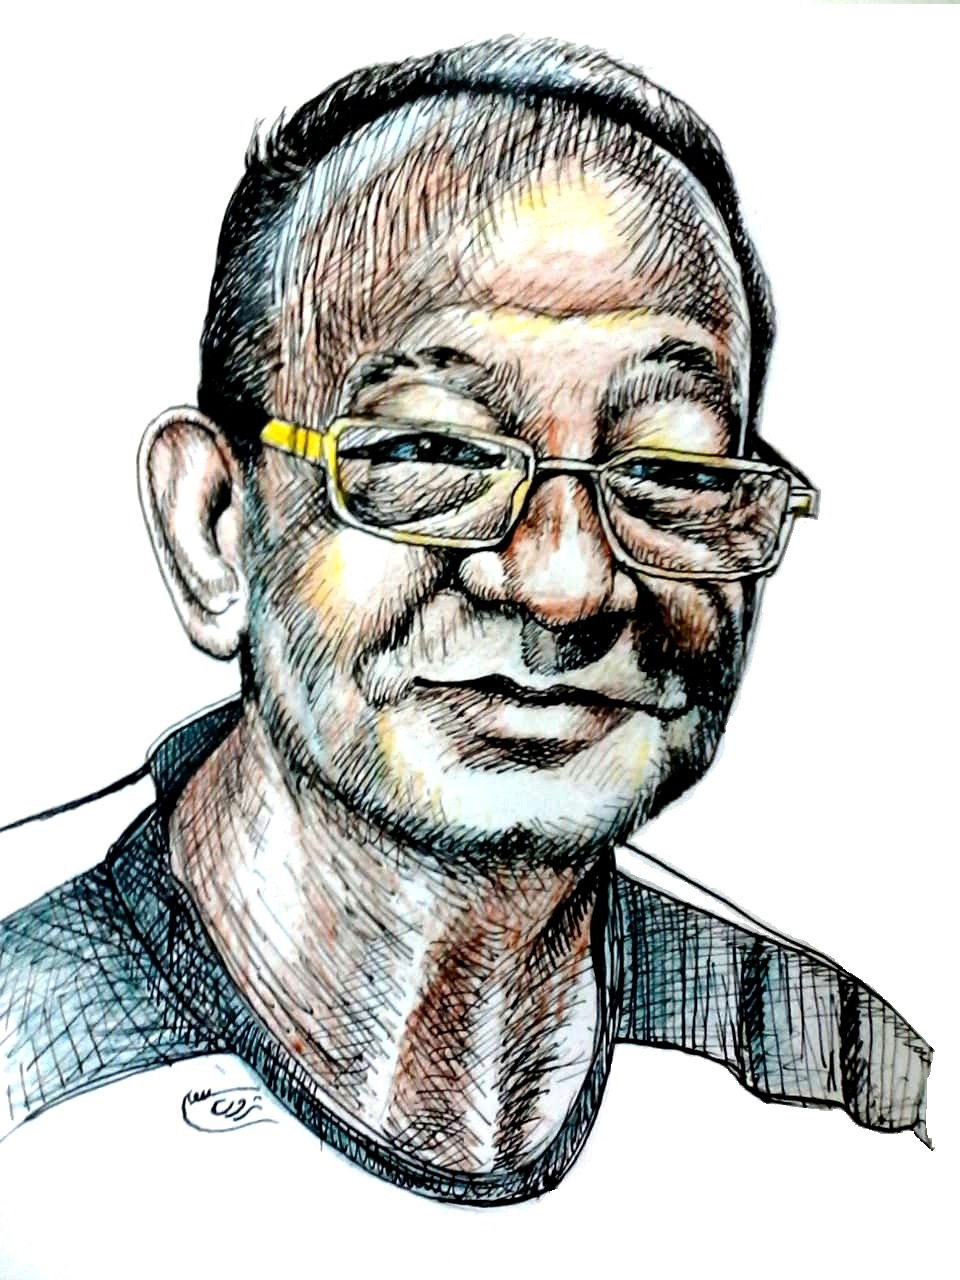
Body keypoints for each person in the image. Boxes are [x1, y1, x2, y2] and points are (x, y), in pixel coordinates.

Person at [0, 36, 930, 1208]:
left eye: (672, 471)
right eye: (434, 453)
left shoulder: (843, 1085)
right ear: (215, 525)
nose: (566, 583)